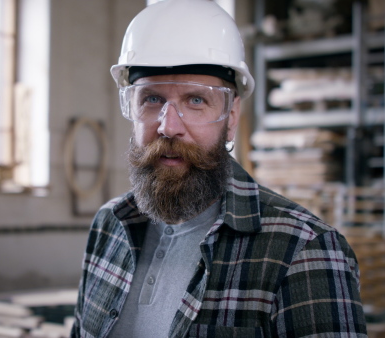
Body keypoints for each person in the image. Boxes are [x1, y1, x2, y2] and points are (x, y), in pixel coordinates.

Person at [72, 0, 367, 337]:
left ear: (231, 117)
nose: (169, 127)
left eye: (196, 101)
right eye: (151, 99)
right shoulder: (109, 225)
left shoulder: (304, 251)